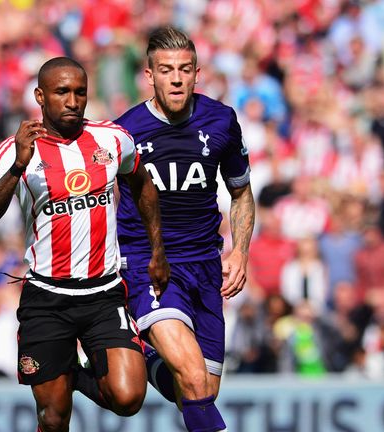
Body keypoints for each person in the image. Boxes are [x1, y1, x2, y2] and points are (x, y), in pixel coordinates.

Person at [0, 57, 169, 432]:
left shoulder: (112, 139)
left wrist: (157, 249)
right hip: (47, 297)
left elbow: (142, 183)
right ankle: (60, 369)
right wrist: (17, 167)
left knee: (128, 398)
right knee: (54, 416)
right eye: (62, 92)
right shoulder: (16, 151)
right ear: (40, 97)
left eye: (80, 92)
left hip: (103, 293)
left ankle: (72, 369)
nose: (73, 101)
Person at [114, 26, 255, 432]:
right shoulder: (125, 133)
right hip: (149, 267)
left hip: (206, 268)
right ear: (149, 75)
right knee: (193, 379)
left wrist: (240, 250)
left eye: (184, 69)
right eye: (166, 70)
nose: (176, 78)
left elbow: (241, 193)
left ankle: (143, 354)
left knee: (196, 392)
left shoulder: (222, 120)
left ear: (197, 73)